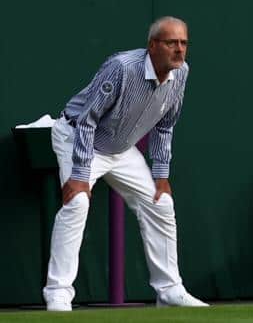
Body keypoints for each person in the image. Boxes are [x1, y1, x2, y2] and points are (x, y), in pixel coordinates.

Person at [42, 17, 207, 312]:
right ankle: (58, 293)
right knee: (77, 203)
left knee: (162, 203)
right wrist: (79, 173)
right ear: (152, 46)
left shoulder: (181, 73)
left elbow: (165, 125)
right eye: (172, 43)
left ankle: (169, 290)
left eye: (184, 43)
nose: (180, 50)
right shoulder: (122, 68)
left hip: (121, 149)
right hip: (78, 137)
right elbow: (87, 119)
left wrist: (161, 174)